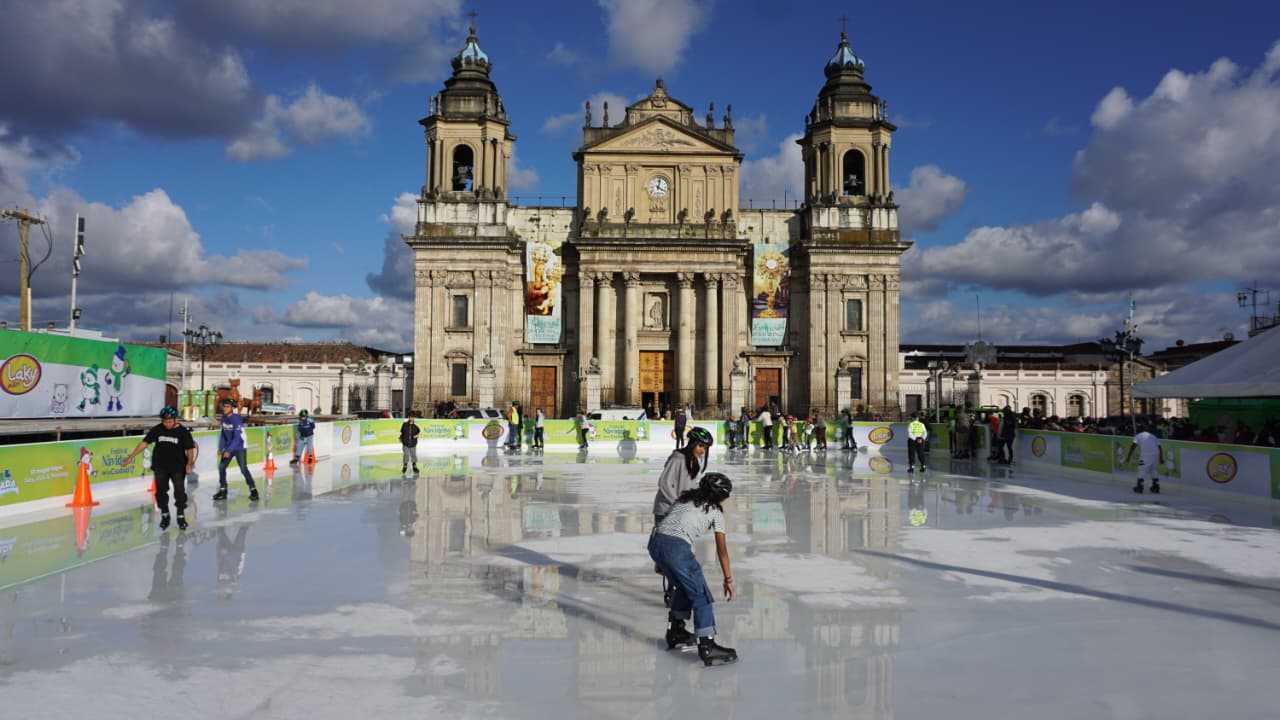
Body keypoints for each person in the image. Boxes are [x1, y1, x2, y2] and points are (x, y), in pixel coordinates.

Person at [648, 472, 738, 666]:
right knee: (701, 595)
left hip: (656, 542)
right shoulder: (715, 511)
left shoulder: (684, 499)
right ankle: (707, 645)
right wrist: (728, 580)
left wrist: (660, 560)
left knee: (682, 587)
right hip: (676, 548)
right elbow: (722, 550)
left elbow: (666, 523)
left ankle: (677, 631)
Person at [124, 405, 196, 531]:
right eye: (164, 421)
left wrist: (189, 463)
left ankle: (180, 515)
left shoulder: (183, 432)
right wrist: (131, 456)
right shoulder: (158, 429)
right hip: (160, 466)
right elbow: (144, 443)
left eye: (169, 421)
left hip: (178, 467)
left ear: (175, 420)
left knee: (179, 492)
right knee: (161, 492)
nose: (167, 424)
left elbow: (190, 449)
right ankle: (165, 515)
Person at [653, 426, 715, 523]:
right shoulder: (677, 458)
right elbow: (665, 484)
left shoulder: (695, 461)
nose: (703, 450)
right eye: (700, 446)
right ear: (692, 443)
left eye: (705, 448)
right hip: (666, 510)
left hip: (682, 512)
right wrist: (679, 505)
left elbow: (690, 486)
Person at [215, 399, 258, 502]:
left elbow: (237, 437)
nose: (225, 408)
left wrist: (229, 450)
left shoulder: (236, 419)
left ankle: (253, 490)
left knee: (243, 469)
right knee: (221, 467)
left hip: (239, 447)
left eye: (227, 407)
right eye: (224, 406)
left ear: (232, 408)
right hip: (229, 447)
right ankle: (223, 490)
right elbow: (223, 435)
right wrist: (221, 448)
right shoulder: (223, 419)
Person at [1125, 424, 1163, 494]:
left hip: (1145, 455)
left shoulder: (1138, 435)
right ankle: (1156, 486)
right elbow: (1159, 447)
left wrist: (1128, 457)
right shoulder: (1153, 436)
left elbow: (1133, 446)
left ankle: (1140, 487)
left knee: (1142, 469)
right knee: (1153, 469)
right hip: (1156, 454)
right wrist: (1161, 457)